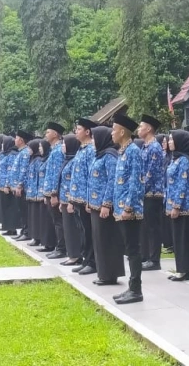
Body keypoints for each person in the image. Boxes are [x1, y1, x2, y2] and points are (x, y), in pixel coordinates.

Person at [111, 114, 146, 304]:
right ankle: (132, 287)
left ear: (122, 131)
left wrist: (128, 207)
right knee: (129, 249)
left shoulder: (133, 151)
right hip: (121, 209)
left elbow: (136, 182)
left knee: (133, 250)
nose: (112, 133)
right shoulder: (123, 151)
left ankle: (136, 290)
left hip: (130, 211)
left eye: (114, 129)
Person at [88, 126, 125, 286]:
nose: (93, 141)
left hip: (105, 206)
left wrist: (106, 204)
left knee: (107, 240)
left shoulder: (110, 156)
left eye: (95, 138)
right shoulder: (100, 155)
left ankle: (110, 274)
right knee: (99, 240)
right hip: (95, 205)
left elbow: (112, 181)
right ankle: (104, 273)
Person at [166, 130, 189, 281]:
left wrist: (176, 206)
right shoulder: (175, 158)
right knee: (177, 238)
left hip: (182, 207)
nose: (169, 142)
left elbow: (182, 184)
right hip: (172, 203)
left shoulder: (184, 160)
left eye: (172, 140)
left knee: (183, 238)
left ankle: (185, 270)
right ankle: (181, 269)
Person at [69, 118, 99, 276]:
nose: (76, 131)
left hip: (85, 197)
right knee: (82, 230)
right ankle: (85, 259)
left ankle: (92, 262)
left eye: (79, 129)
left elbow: (91, 176)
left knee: (88, 231)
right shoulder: (81, 149)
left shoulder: (90, 150)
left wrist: (88, 199)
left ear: (87, 132)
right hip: (77, 197)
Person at [138, 114, 166, 271]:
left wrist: (140, 188)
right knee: (146, 226)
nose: (139, 129)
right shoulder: (145, 146)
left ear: (149, 129)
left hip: (153, 193)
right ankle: (146, 255)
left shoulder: (154, 147)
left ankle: (154, 259)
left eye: (141, 126)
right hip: (145, 193)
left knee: (153, 227)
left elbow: (150, 173)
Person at [42, 123, 69, 260]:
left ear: (55, 134)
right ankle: (58, 246)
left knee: (58, 221)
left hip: (54, 192)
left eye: (48, 132)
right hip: (49, 191)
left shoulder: (58, 151)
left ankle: (61, 248)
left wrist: (54, 194)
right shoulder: (54, 150)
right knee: (55, 221)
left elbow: (57, 173)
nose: (46, 135)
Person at [58, 134, 84, 266]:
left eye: (64, 143)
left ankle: (75, 255)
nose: (62, 146)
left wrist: (70, 201)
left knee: (72, 229)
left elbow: (73, 182)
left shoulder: (74, 161)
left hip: (70, 200)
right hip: (64, 199)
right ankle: (71, 254)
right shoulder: (67, 159)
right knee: (67, 228)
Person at [10, 131, 34, 241]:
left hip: (23, 188)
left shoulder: (25, 153)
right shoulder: (21, 152)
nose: (15, 140)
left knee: (24, 211)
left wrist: (19, 185)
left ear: (21, 140)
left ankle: (27, 232)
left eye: (16, 138)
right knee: (21, 211)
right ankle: (24, 230)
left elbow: (23, 170)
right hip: (17, 187)